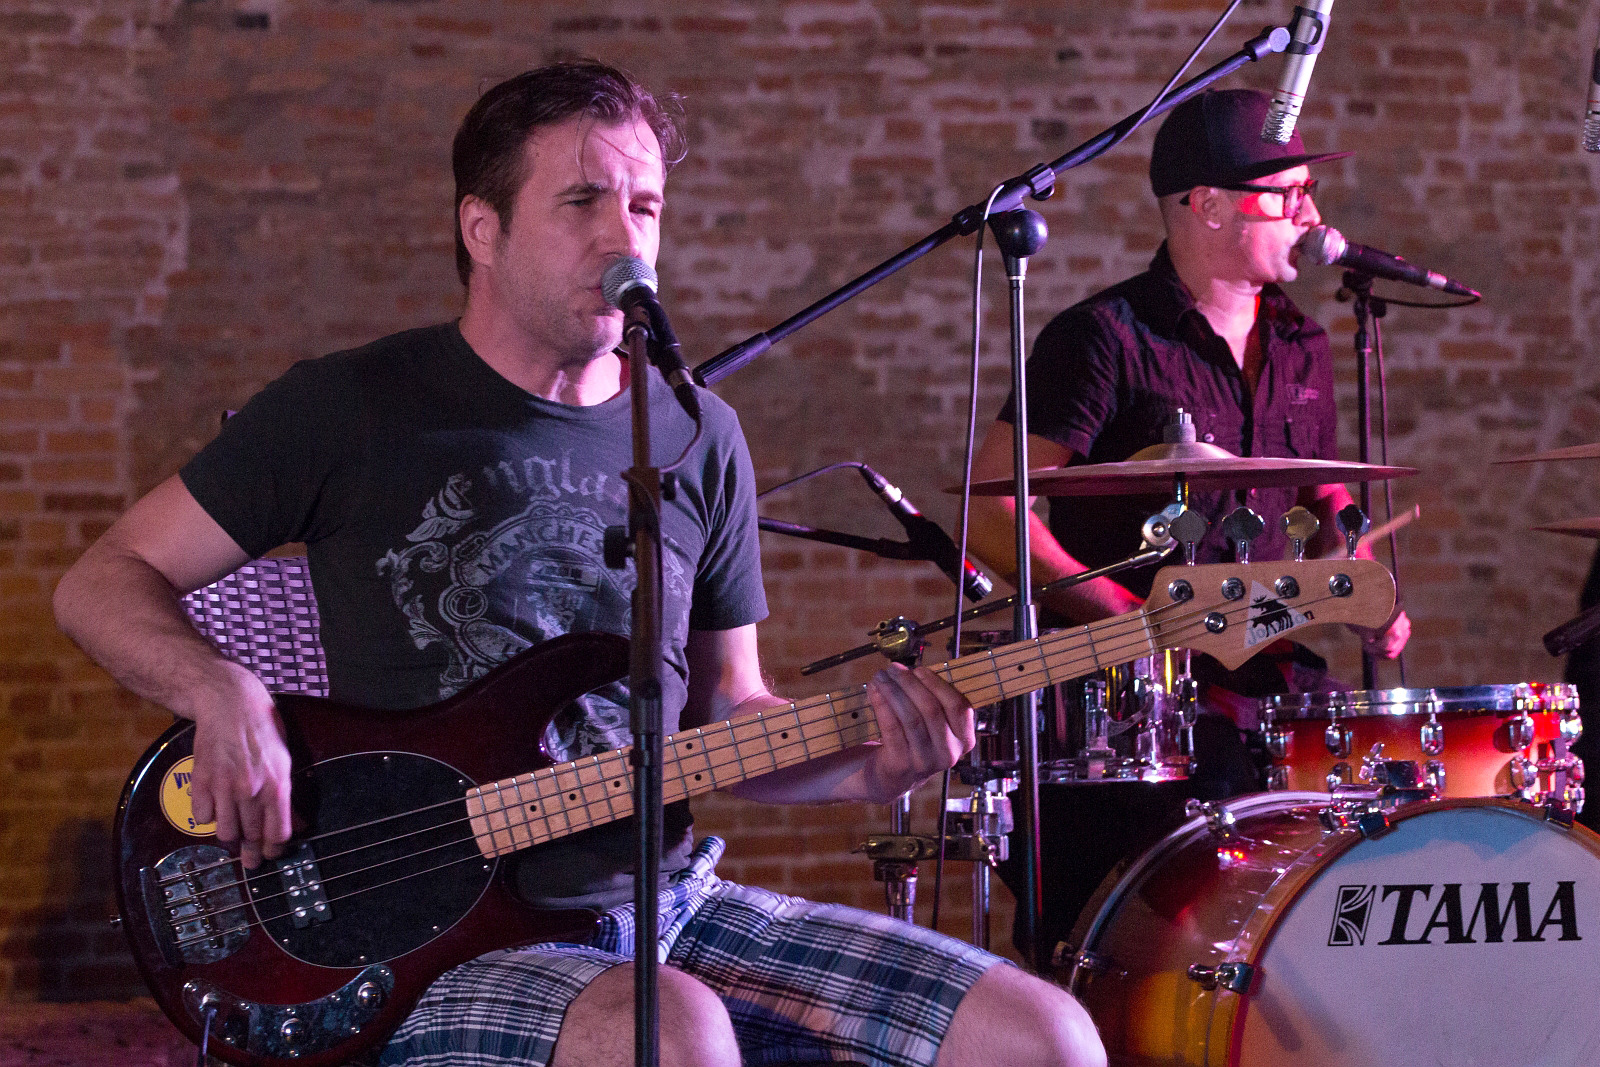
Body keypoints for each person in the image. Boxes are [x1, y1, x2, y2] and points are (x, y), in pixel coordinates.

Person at [54, 61, 1103, 1067]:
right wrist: (220, 690)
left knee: (1041, 1034)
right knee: (671, 1031)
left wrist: (869, 766)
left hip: (673, 904)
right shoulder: (352, 406)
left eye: (645, 206)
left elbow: (729, 710)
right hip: (433, 939)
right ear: (483, 228)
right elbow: (102, 578)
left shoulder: (697, 434)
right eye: (582, 201)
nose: (624, 235)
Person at [965, 88, 1411, 956]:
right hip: (1133, 713)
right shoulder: (1102, 339)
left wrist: (1352, 580)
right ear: (1206, 205)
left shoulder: (1305, 345)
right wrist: (1132, 625)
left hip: (1269, 695)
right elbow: (991, 511)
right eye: (1288, 194)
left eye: (1309, 193)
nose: (1312, 216)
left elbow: (1325, 501)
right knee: (1134, 948)